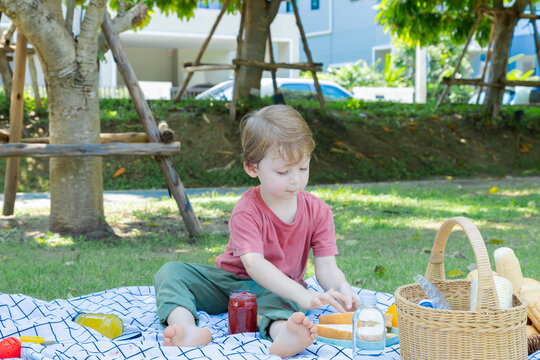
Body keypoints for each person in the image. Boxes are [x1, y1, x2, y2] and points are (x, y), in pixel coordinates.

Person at [154, 105, 360, 358]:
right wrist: (303, 295)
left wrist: (343, 288)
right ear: (252, 168)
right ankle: (185, 328)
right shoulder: (247, 210)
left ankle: (285, 333)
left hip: (280, 288)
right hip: (230, 285)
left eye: (303, 168)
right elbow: (254, 265)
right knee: (171, 272)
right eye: (283, 171)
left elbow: (327, 268)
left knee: (285, 299)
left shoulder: (319, 211)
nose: (295, 179)